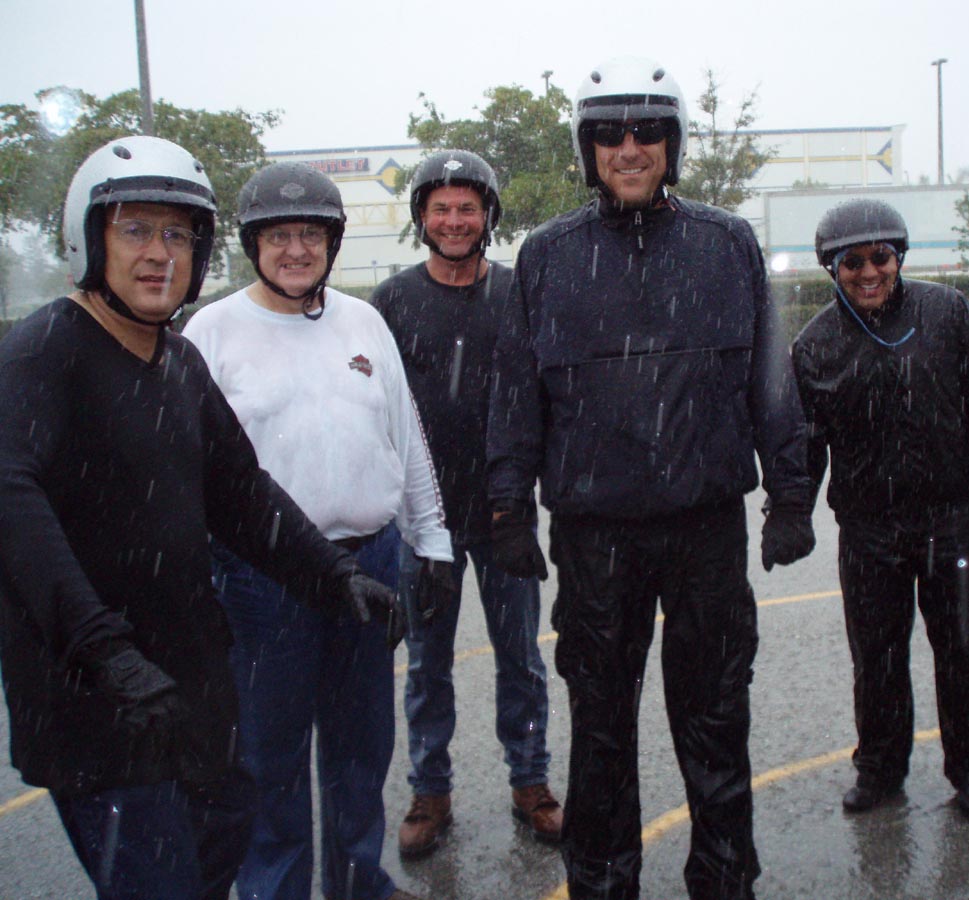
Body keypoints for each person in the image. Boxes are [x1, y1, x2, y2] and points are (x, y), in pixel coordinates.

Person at [0, 136, 404, 900]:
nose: (160, 253)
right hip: (103, 714)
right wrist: (105, 653)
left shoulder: (177, 361)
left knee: (224, 846)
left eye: (178, 235)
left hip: (192, 693)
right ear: (89, 239)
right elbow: (11, 505)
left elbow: (241, 494)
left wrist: (333, 575)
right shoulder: (45, 353)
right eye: (135, 230)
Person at [486, 56, 815, 900]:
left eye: (646, 132)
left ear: (673, 143)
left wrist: (790, 494)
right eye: (608, 134)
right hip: (595, 536)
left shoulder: (726, 244)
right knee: (600, 728)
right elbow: (517, 395)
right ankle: (603, 882)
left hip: (705, 529)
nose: (627, 148)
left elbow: (769, 382)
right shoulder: (548, 257)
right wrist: (507, 509)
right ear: (587, 148)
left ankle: (724, 877)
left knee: (715, 717)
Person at [182, 161, 452, 900]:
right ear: (252, 244)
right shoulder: (211, 332)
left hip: (371, 564)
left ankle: (358, 881)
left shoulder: (363, 323)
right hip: (262, 580)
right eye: (279, 236)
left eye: (311, 235)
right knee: (268, 757)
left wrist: (431, 543)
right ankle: (275, 889)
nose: (296, 250)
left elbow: (406, 438)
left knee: (361, 746)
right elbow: (189, 468)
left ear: (332, 243)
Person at [791, 199, 969, 819]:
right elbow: (805, 445)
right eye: (852, 263)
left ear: (899, 257)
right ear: (832, 269)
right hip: (868, 531)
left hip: (953, 522)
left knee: (966, 655)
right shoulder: (814, 345)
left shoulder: (949, 313)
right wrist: (789, 511)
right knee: (876, 661)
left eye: (881, 257)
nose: (869, 272)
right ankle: (879, 769)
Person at [370, 150, 562, 858]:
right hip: (424, 521)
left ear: (488, 216)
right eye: (441, 208)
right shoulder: (391, 301)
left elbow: (545, 396)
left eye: (468, 208)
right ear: (422, 217)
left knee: (521, 659)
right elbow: (374, 406)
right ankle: (431, 791)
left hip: (505, 513)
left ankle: (531, 782)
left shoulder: (518, 293)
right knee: (427, 665)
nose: (454, 221)